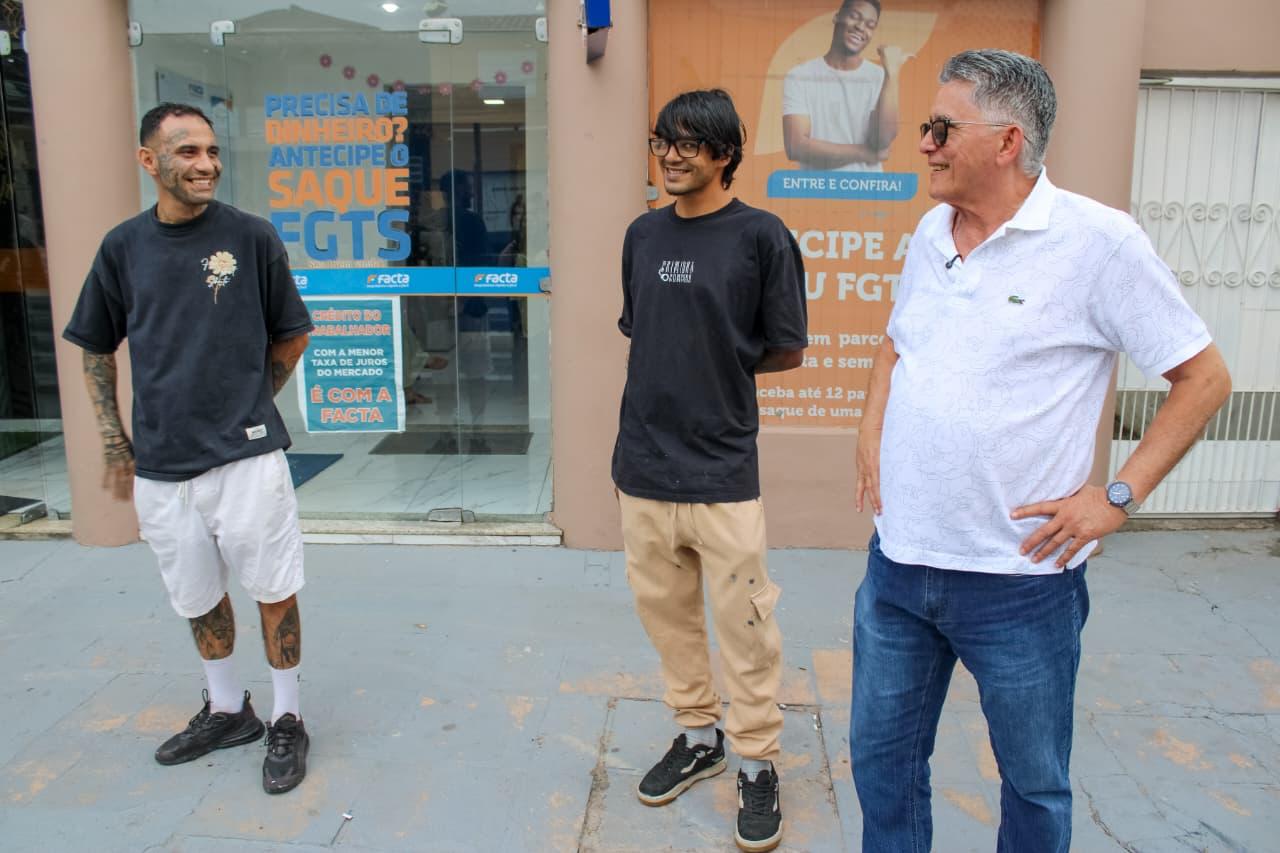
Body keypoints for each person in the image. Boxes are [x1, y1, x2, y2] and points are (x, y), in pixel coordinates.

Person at [851, 50, 1231, 851]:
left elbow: (1203, 378)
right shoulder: (930, 233)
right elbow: (896, 343)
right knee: (883, 765)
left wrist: (1116, 497)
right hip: (899, 568)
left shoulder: (1099, 243)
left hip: (1020, 584)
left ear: (1007, 141)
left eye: (942, 127)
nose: (924, 143)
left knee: (1032, 783)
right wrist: (869, 430)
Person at [62, 102, 316, 795]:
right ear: (150, 161)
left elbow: (293, 332)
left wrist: (251, 403)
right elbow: (94, 344)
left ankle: (288, 717)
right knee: (197, 596)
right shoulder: (123, 247)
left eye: (211, 151)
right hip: (162, 466)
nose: (206, 164)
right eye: (187, 152)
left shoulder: (251, 236)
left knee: (273, 589)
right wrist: (114, 439)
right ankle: (229, 710)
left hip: (247, 461)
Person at [613, 89, 808, 852]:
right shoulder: (641, 234)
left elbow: (786, 347)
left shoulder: (761, 236)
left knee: (747, 627)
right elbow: (645, 329)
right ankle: (699, 737)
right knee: (667, 618)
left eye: (689, 143)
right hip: (642, 464)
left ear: (726, 154)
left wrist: (719, 370)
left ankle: (757, 761)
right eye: (663, 140)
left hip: (723, 467)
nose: (671, 155)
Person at [782, 0, 911, 171]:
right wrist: (866, 153)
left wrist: (891, 74)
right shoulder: (800, 76)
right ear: (837, 17)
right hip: (817, 186)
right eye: (854, 16)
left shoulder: (880, 76)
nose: (860, 27)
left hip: (867, 186)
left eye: (870, 25)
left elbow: (881, 141)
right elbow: (796, 147)